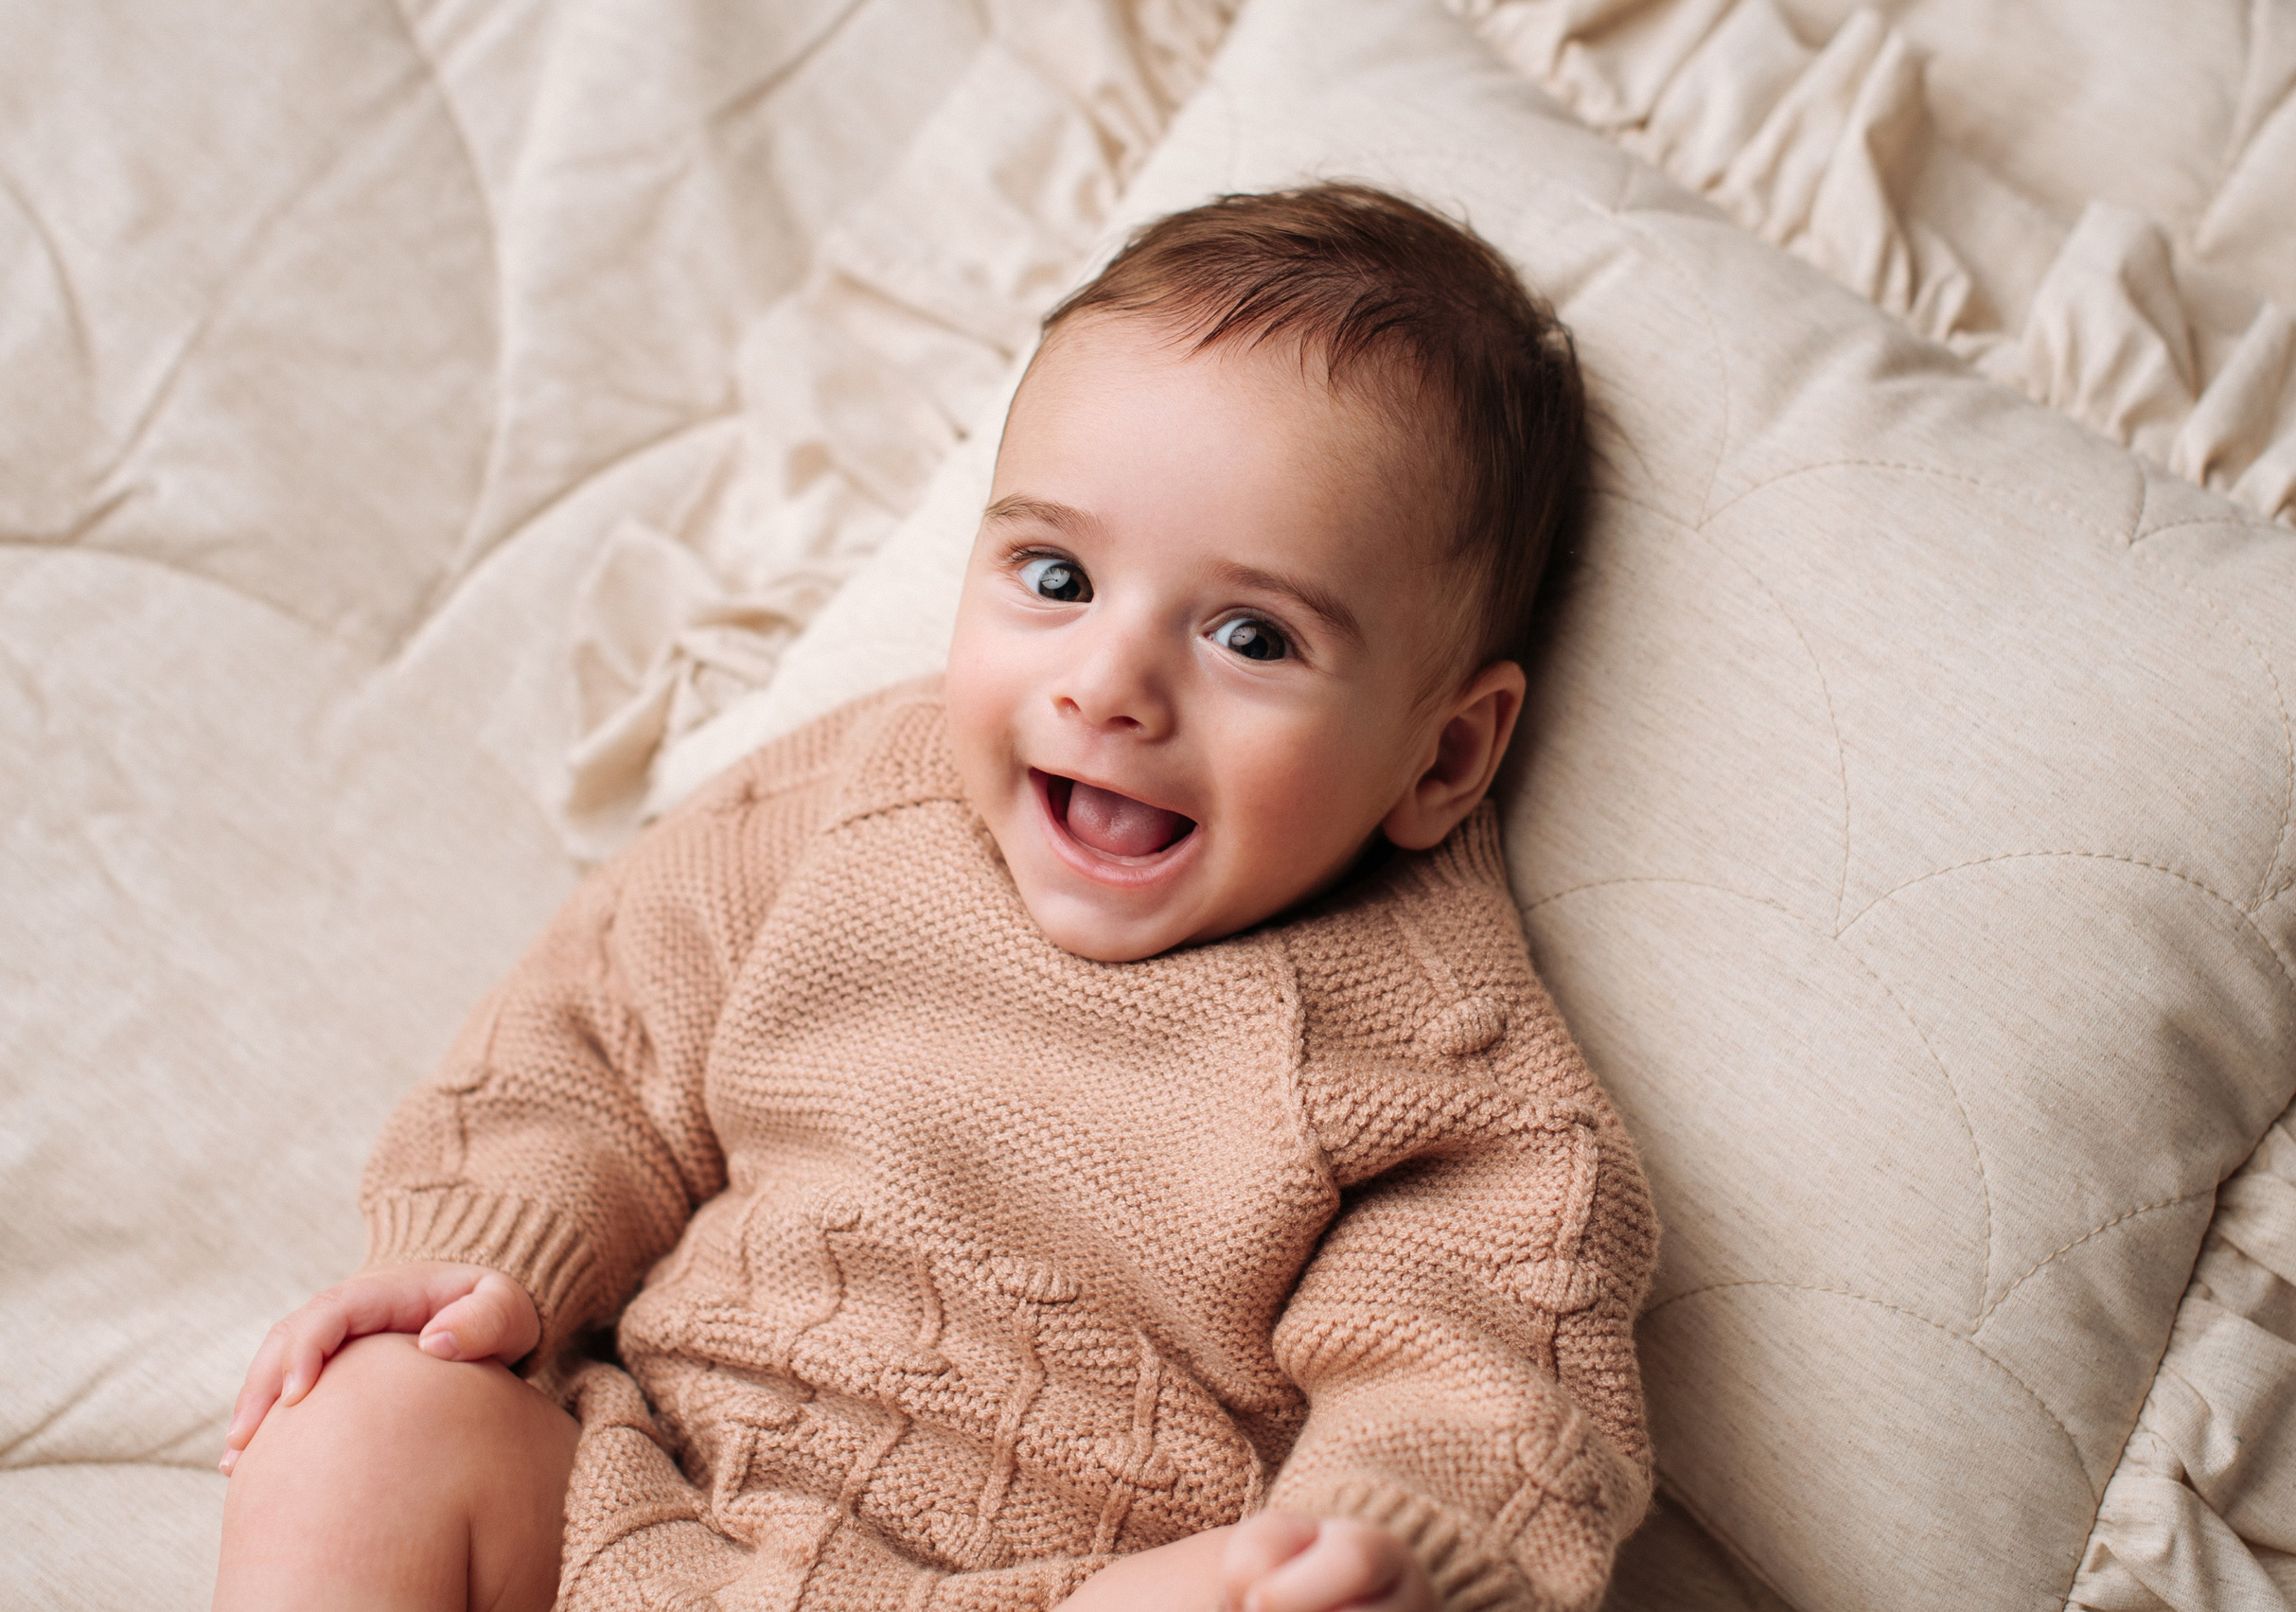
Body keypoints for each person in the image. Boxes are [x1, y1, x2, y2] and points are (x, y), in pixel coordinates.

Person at [212, 183, 1658, 1612]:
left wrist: (1382, 1554)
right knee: (371, 1415)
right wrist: (485, 1257)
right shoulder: (854, 801)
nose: (1106, 684)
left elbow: (1484, 1392)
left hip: (1053, 1587)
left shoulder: (1444, 1072)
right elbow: (597, 1040)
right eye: (1055, 574)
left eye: (1249, 635)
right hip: (635, 1513)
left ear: (1448, 751)